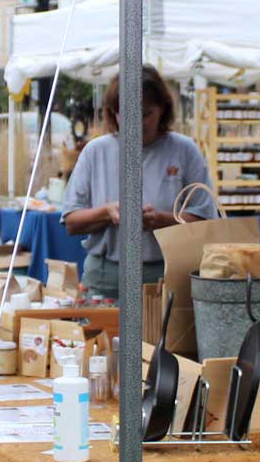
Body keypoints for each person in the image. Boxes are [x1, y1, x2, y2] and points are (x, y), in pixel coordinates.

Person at [61, 66, 213, 300]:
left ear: (162, 109)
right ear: (113, 113)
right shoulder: (95, 151)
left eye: (145, 114)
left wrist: (160, 220)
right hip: (106, 278)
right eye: (127, 114)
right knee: (101, 337)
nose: (136, 123)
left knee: (162, 337)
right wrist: (107, 212)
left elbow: (205, 223)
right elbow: (71, 221)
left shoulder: (184, 150)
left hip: (167, 275)